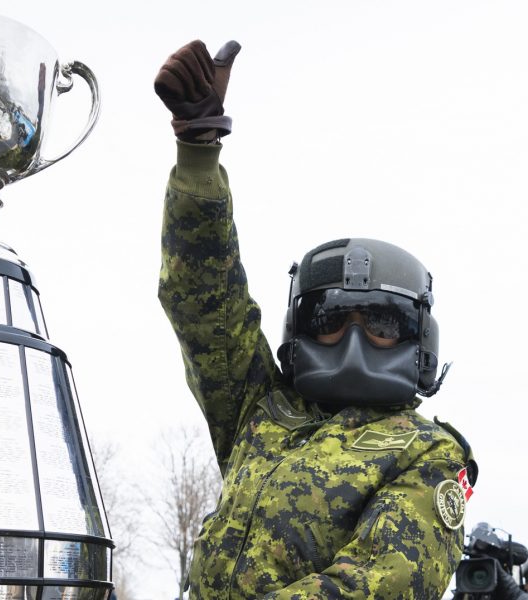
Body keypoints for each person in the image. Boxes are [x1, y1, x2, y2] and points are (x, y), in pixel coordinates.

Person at [155, 39, 476, 598]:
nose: (354, 338)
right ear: (300, 330)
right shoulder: (260, 408)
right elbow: (203, 301)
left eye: (380, 320)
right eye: (331, 317)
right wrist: (198, 149)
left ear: (416, 338)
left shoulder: (426, 453)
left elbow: (379, 582)